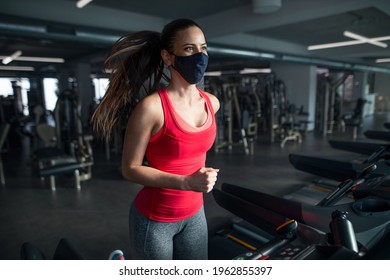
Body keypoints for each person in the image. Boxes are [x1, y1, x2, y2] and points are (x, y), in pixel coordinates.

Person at [91, 18, 220, 260]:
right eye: (189, 49)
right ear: (168, 57)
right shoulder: (151, 109)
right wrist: (187, 183)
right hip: (155, 220)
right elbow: (130, 170)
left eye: (203, 48)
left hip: (195, 215)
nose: (200, 56)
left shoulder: (212, 103)